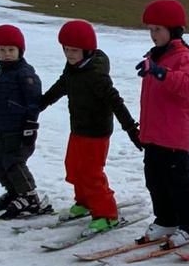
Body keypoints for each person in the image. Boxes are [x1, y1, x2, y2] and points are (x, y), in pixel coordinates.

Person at [39, 19, 142, 232]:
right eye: (66, 49)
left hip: (96, 133)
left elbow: (116, 103)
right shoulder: (73, 68)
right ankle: (85, 202)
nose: (69, 55)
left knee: (91, 173)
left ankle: (107, 214)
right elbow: (61, 85)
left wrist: (132, 129)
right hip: (78, 128)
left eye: (74, 50)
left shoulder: (96, 75)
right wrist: (40, 104)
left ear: (87, 51)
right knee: (74, 167)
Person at [134, 0, 189, 247]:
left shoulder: (183, 56)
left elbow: (187, 86)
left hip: (173, 136)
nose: (153, 34)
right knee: (154, 180)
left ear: (173, 30)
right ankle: (167, 219)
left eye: (158, 29)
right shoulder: (155, 55)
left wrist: (160, 72)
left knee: (178, 182)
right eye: (150, 29)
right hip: (153, 134)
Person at [0, 24, 49, 219]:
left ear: (20, 51)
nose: (7, 54)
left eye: (11, 50)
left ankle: (30, 197)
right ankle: (14, 192)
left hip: (19, 130)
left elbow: (34, 103)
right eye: (2, 50)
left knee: (14, 162)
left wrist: (30, 127)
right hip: (1, 129)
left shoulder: (25, 75)